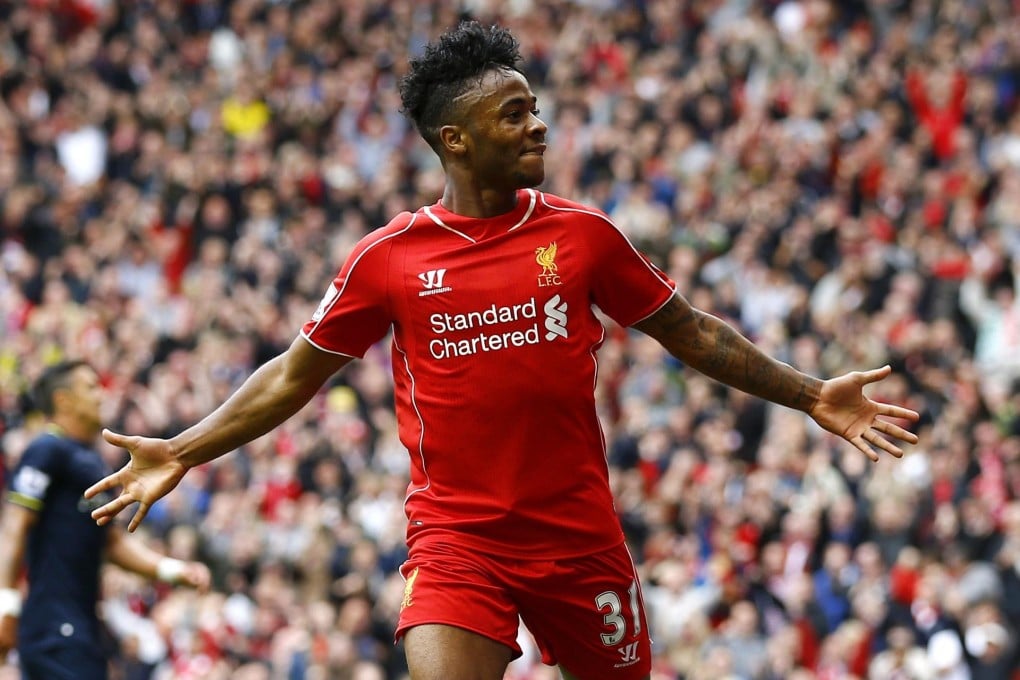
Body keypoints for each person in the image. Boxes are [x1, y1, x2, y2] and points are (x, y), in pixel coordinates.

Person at [84, 22, 919, 680]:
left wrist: (812, 395)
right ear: (455, 140)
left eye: (533, 106)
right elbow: (294, 376)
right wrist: (185, 450)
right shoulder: (389, 260)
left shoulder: (584, 237)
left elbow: (691, 330)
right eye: (512, 114)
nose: (538, 124)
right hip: (457, 538)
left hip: (580, 538)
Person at [0, 360, 210, 679]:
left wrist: (171, 569)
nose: (101, 395)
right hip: (52, 624)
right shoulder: (46, 449)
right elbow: (15, 525)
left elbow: (111, 542)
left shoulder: (90, 461)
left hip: (81, 624)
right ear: (63, 400)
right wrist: (6, 604)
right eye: (90, 386)